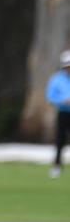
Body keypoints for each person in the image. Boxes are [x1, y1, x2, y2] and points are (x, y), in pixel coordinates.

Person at [46, 49, 70, 179]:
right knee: (60, 140)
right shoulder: (57, 79)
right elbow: (50, 97)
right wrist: (63, 101)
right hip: (63, 113)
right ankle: (57, 167)